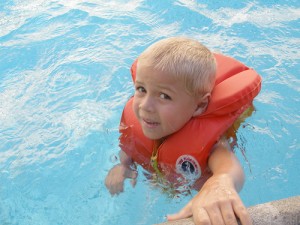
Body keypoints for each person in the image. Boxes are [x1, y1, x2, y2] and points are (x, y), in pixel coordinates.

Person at [105, 37, 258, 225]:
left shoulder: (210, 143)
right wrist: (124, 165)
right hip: (159, 175)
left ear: (199, 105)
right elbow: (131, 144)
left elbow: (228, 166)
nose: (146, 106)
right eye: (141, 89)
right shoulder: (141, 117)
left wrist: (219, 182)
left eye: (164, 96)